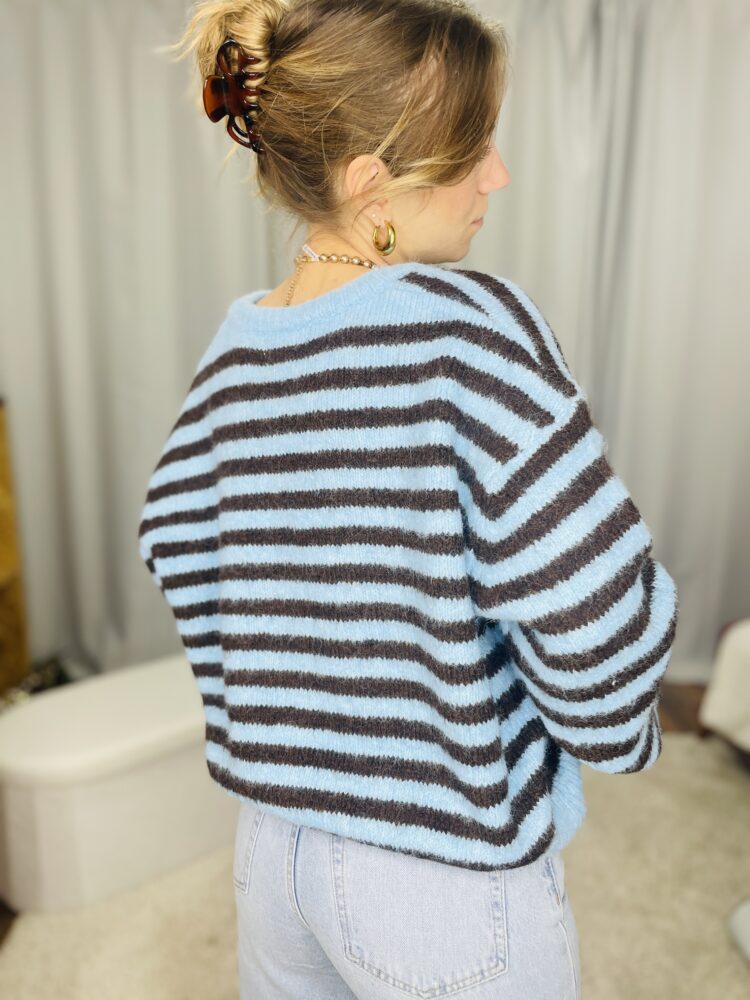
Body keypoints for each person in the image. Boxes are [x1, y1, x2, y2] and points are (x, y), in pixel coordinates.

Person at [138, 1, 679, 997]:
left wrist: (290, 724)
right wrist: (619, 720)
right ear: (369, 183)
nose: (497, 175)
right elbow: (592, 618)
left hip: (273, 852)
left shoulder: (237, 347)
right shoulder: (469, 332)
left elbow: (175, 539)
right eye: (473, 148)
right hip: (438, 877)